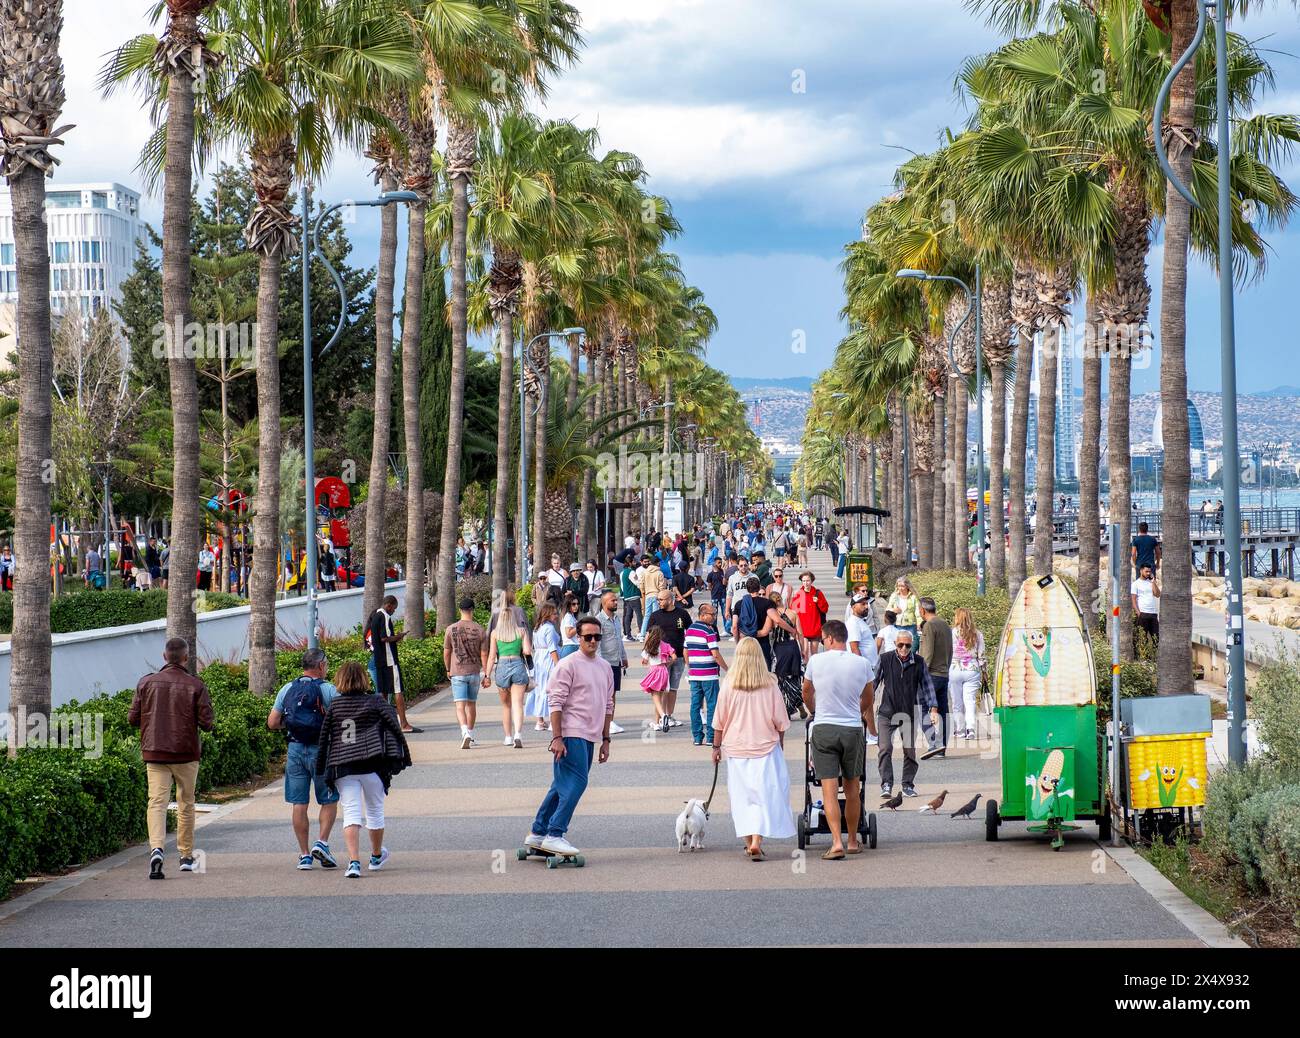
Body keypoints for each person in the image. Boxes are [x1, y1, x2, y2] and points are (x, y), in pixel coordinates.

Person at [523, 615, 614, 860]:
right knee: (577, 783)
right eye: (588, 637)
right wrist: (557, 737)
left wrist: (606, 740)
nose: (593, 641)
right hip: (570, 733)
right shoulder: (568, 663)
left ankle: (538, 832)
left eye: (597, 637)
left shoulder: (604, 667)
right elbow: (555, 702)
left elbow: (608, 705)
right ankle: (555, 833)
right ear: (578, 637)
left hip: (591, 736)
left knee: (561, 786)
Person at [129, 637, 214, 879]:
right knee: (186, 803)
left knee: (156, 802)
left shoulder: (146, 683)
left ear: (164, 656)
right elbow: (207, 723)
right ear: (186, 658)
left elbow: (132, 719)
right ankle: (186, 856)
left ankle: (156, 849)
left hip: (155, 753)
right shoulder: (196, 685)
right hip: (186, 754)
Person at [316, 661, 411, 878]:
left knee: (351, 813)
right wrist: (403, 757)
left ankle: (354, 862)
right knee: (375, 811)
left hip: (343, 765)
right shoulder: (376, 702)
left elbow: (324, 740)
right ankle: (376, 856)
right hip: (373, 765)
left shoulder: (335, 707)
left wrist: (322, 767)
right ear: (364, 679)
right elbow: (395, 728)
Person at [712, 637, 794, 860]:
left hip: (736, 749)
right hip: (765, 747)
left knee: (742, 797)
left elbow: (719, 720)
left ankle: (749, 843)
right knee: (763, 795)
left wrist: (715, 747)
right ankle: (757, 840)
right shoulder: (770, 684)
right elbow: (781, 721)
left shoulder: (729, 684)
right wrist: (781, 742)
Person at [802, 621, 876, 860]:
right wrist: (857, 711)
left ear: (830, 638)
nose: (823, 642)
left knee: (829, 791)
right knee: (853, 789)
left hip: (824, 727)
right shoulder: (862, 663)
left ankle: (836, 843)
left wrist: (814, 710)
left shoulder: (816, 661)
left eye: (823, 639)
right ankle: (853, 840)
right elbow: (869, 697)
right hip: (852, 728)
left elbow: (806, 691)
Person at [267, 648, 340, 869]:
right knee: (328, 799)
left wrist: (290, 725)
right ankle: (322, 842)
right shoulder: (328, 690)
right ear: (320, 666)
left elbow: (272, 722)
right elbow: (341, 718)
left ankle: (305, 855)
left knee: (299, 803)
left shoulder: (288, 688)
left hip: (295, 750)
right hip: (322, 751)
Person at [873, 629, 938, 799]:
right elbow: (873, 683)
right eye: (900, 644)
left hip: (908, 714)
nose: (903, 648)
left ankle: (907, 785)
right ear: (895, 644)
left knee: (909, 751)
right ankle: (886, 784)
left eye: (907, 645)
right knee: (885, 748)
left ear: (912, 645)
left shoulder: (918, 662)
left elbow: (927, 685)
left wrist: (933, 708)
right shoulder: (885, 659)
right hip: (887, 713)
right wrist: (863, 706)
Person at [368, 595, 421, 734]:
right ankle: (403, 724)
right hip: (389, 660)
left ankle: (386, 724)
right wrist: (399, 636)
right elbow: (384, 638)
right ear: (389, 605)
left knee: (384, 692)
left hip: (379, 660)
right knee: (398, 690)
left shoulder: (375, 616)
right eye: (394, 608)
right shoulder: (384, 616)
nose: (393, 611)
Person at [485, 601, 533, 748]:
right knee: (518, 704)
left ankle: (507, 737)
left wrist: (486, 675)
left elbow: (492, 656)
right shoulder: (521, 631)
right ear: (512, 619)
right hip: (518, 665)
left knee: (506, 706)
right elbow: (527, 651)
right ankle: (518, 734)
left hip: (502, 667)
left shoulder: (495, 633)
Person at [443, 596, 488, 749]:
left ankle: (464, 732)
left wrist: (448, 668)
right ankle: (470, 732)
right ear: (472, 610)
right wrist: (486, 674)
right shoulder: (480, 629)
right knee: (471, 705)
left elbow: (447, 652)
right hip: (474, 672)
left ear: (460, 610)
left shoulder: (451, 629)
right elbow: (484, 654)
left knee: (460, 706)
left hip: (457, 672)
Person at [645, 588, 693, 729]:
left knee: (673, 688)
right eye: (658, 599)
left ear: (670, 600)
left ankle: (669, 716)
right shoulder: (655, 615)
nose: (658, 602)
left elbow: (690, 632)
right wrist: (647, 655)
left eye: (661, 599)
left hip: (678, 656)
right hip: (660, 660)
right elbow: (648, 635)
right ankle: (659, 718)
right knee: (659, 689)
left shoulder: (682, 614)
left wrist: (688, 652)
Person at [685, 602, 728, 746]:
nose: (715, 617)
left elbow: (686, 651)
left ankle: (697, 737)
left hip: (695, 674)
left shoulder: (690, 629)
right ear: (703, 615)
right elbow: (715, 654)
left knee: (695, 706)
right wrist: (727, 669)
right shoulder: (709, 631)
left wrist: (690, 667)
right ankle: (711, 737)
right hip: (709, 674)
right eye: (712, 614)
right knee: (712, 705)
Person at [917, 596, 953, 760]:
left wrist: (920, 673)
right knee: (944, 711)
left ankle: (933, 744)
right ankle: (942, 745)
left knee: (924, 709)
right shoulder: (945, 624)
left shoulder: (929, 626)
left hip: (930, 675)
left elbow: (927, 653)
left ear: (922, 610)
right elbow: (950, 650)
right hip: (944, 673)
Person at [949, 607, 985, 741]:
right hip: (972, 669)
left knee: (957, 702)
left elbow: (947, 652)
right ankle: (971, 729)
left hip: (955, 668)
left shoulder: (952, 633)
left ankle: (960, 730)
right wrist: (984, 672)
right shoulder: (977, 634)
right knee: (969, 701)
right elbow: (981, 656)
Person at [594, 589, 628, 736]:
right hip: (604, 662)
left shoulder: (616, 618)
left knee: (612, 694)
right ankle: (601, 722)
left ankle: (610, 721)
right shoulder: (599, 620)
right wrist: (599, 662)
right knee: (603, 694)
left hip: (616, 661)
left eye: (616, 600)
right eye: (613, 600)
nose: (616, 602)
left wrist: (624, 656)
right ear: (604, 603)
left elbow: (619, 640)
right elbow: (597, 644)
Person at [528, 602, 563, 731]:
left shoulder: (537, 628)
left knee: (540, 688)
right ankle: (552, 721)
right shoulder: (549, 628)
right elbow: (552, 648)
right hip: (548, 660)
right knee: (551, 689)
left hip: (539, 659)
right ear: (548, 614)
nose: (556, 616)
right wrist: (558, 665)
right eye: (554, 613)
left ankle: (540, 720)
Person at [790, 571, 830, 661]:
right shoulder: (799, 594)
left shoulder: (818, 593)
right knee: (805, 651)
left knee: (814, 652)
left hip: (815, 628)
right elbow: (794, 611)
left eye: (808, 581)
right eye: (803, 581)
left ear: (812, 581)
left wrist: (818, 601)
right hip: (803, 629)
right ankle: (806, 671)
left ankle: (814, 670)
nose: (805, 583)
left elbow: (825, 609)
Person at [1132, 564, 1161, 647]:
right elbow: (1133, 600)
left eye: (1149, 571)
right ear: (1141, 571)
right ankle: (1145, 659)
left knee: (1156, 637)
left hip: (1153, 613)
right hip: (1143, 613)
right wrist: (1138, 613)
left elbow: (1157, 594)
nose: (1148, 573)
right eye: (1146, 571)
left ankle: (1155, 657)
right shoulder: (1136, 584)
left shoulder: (1151, 583)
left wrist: (1153, 582)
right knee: (1143, 638)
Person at [887, 577, 920, 643]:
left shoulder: (913, 597)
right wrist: (893, 610)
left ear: (907, 586)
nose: (900, 588)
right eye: (899, 586)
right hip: (897, 625)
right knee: (899, 644)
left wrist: (919, 623)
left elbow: (917, 611)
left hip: (911, 625)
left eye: (902, 586)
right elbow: (888, 609)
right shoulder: (894, 596)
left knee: (911, 644)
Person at [620, 557, 643, 641]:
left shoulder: (623, 572)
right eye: (633, 562)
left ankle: (627, 634)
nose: (634, 563)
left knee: (628, 615)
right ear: (630, 563)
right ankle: (641, 633)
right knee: (639, 614)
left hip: (626, 597)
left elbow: (622, 585)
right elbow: (637, 583)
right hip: (634, 595)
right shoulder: (631, 572)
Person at [558, 593, 581, 659]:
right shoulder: (568, 616)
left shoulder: (570, 615)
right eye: (573, 604)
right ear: (568, 605)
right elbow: (568, 634)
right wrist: (580, 625)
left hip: (571, 647)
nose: (576, 606)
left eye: (577, 604)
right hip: (570, 647)